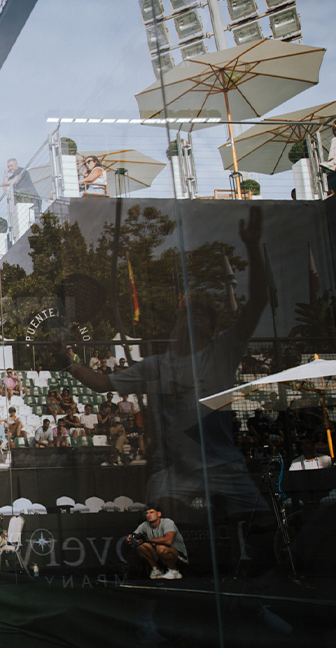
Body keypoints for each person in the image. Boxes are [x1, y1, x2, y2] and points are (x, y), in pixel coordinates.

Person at [66, 207, 268, 516]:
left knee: (263, 524)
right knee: (162, 519)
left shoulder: (223, 351)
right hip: (175, 471)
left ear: (213, 329)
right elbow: (103, 383)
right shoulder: (156, 364)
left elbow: (258, 302)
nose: (195, 319)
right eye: (190, 315)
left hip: (224, 464)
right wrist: (68, 361)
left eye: (203, 316)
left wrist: (253, 246)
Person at [131, 505, 187, 580]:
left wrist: (147, 539)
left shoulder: (167, 522)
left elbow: (168, 541)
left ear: (159, 514)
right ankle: (157, 570)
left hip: (179, 558)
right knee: (140, 546)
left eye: (151, 512)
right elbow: (133, 535)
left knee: (160, 547)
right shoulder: (145, 524)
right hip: (160, 556)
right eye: (147, 513)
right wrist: (131, 538)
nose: (149, 515)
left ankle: (174, 571)